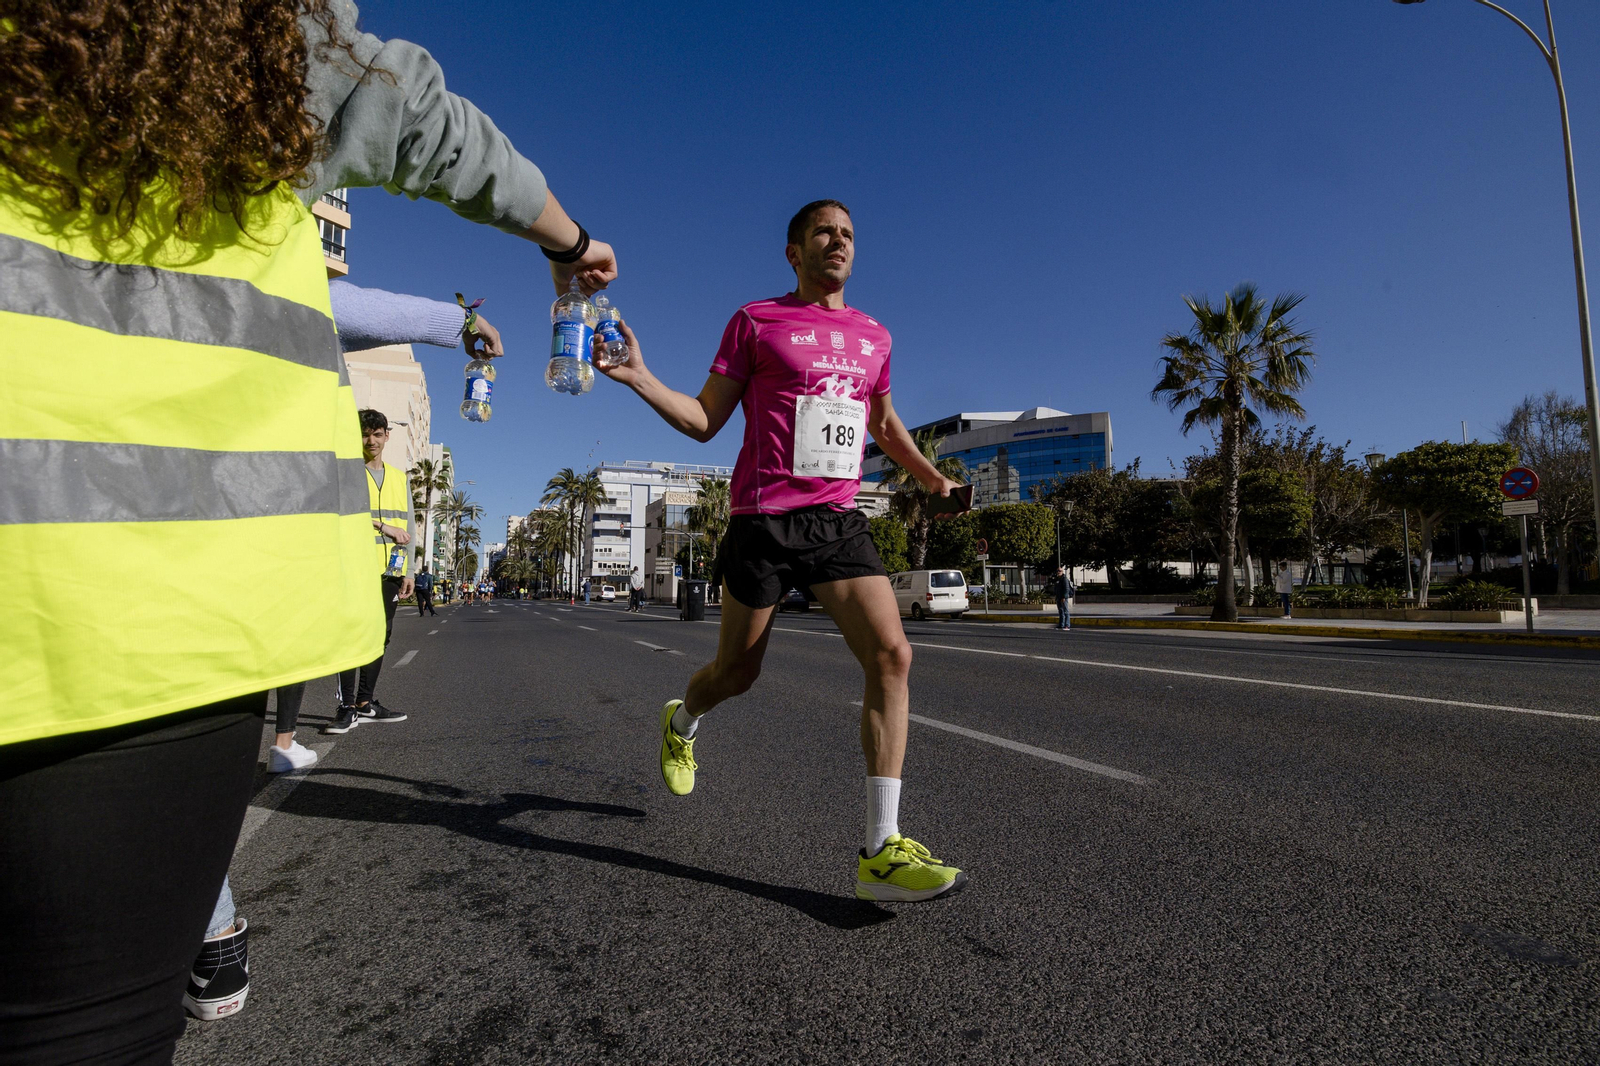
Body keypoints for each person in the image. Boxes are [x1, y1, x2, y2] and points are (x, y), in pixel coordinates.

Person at [598, 200, 968, 902]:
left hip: (837, 521)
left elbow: (884, 424)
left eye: (849, 233)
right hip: (763, 522)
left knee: (893, 655)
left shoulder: (874, 336)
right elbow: (705, 419)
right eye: (825, 232)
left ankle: (880, 850)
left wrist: (932, 479)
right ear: (795, 253)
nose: (839, 241)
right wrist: (640, 376)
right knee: (737, 673)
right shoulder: (756, 321)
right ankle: (682, 720)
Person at [322, 410, 412, 734]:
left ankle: (365, 702)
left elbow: (409, 525)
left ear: (387, 435)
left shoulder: (399, 478)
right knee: (351, 634)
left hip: (390, 571)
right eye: (365, 434)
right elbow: (339, 514)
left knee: (379, 637)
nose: (371, 440)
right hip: (354, 566)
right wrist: (383, 526)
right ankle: (346, 707)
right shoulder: (346, 472)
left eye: (376, 434)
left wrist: (410, 571)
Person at [1051, 566, 1075, 631]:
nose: (1058, 572)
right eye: (1057, 571)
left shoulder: (1064, 579)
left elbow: (1066, 589)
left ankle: (1067, 625)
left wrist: (1064, 597)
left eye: (1060, 571)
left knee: (1066, 611)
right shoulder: (1058, 579)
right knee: (1061, 611)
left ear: (1062, 572)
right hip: (1058, 597)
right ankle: (1061, 624)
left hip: (1063, 598)